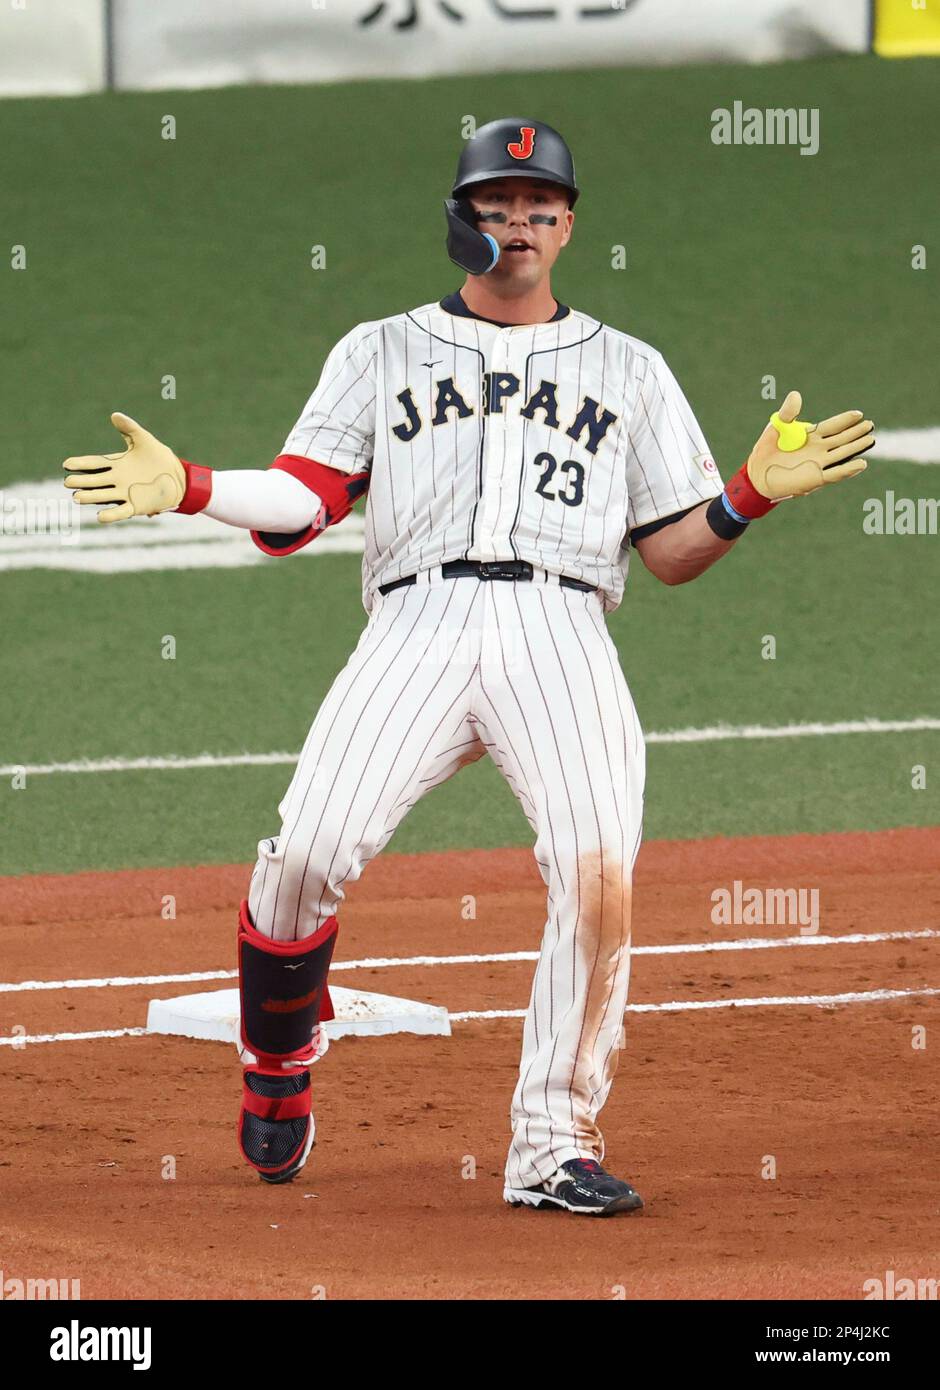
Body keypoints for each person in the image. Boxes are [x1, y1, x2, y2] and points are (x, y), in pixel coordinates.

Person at [62, 118, 874, 1216]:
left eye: (540, 207)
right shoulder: (378, 348)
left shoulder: (629, 369)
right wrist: (197, 483)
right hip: (418, 622)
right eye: (497, 206)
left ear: (570, 223)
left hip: (563, 629)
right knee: (304, 855)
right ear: (462, 221)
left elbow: (674, 554)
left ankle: (553, 1143)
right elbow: (306, 499)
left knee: (597, 869)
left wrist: (749, 492)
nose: (520, 225)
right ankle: (277, 1063)